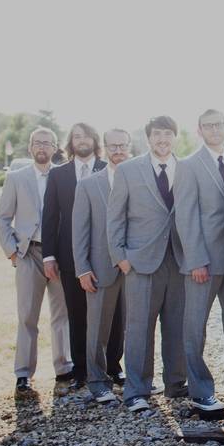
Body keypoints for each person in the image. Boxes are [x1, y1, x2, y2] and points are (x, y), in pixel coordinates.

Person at [107, 115, 188, 412]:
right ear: (148, 138)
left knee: (177, 325)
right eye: (157, 134)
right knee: (140, 328)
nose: (162, 139)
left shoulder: (187, 168)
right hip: (140, 262)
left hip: (179, 260)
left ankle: (176, 384)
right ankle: (137, 391)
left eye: (168, 134)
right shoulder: (129, 171)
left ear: (175, 137)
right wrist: (121, 258)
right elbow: (114, 217)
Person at [175, 109, 224, 412]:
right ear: (199, 130)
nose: (214, 129)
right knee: (195, 326)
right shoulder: (189, 166)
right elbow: (186, 216)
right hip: (203, 260)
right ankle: (201, 391)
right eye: (208, 126)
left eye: (219, 124)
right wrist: (195, 260)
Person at [0, 127, 72, 393]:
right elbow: (3, 218)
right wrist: (12, 252)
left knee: (62, 315)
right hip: (28, 253)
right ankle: (24, 374)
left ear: (54, 148)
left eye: (47, 143)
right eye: (37, 142)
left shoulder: (62, 176)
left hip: (59, 255)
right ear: (30, 147)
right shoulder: (16, 177)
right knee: (27, 315)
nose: (42, 147)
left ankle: (64, 368)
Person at [42, 123, 107, 390]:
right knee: (77, 314)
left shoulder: (108, 170)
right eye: (76, 136)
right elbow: (50, 216)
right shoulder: (59, 175)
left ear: (94, 139)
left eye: (86, 135)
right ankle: (81, 370)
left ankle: (111, 367)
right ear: (70, 142)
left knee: (111, 317)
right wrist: (48, 255)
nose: (82, 140)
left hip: (105, 254)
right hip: (68, 255)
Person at [72, 128, 132, 403]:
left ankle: (127, 376)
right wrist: (82, 268)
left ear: (130, 147)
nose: (117, 150)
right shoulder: (88, 185)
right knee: (97, 328)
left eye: (122, 145)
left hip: (133, 267)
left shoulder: (140, 180)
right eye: (112, 146)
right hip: (98, 266)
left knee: (132, 325)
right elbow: (79, 230)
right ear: (104, 148)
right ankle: (97, 382)